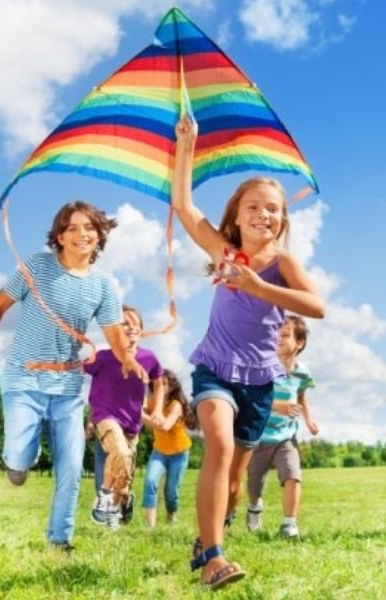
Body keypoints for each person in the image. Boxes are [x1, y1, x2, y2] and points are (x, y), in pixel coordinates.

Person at [172, 115, 325, 590]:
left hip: (260, 381)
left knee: (235, 482)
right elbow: (182, 205)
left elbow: (316, 306)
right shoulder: (223, 253)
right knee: (216, 444)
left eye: (274, 209)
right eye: (254, 207)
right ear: (236, 216)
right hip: (215, 369)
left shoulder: (282, 264)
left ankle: (209, 535)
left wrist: (261, 288)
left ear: (283, 220)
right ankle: (214, 558)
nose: (264, 215)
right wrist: (187, 147)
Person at [0, 201, 147, 552]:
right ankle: (17, 463)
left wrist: (126, 359)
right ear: (59, 235)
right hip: (24, 380)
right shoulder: (37, 266)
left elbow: (114, 332)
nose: (81, 234)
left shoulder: (104, 285)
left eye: (89, 227)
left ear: (100, 234)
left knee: (72, 468)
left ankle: (60, 540)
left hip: (68, 386)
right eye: (72, 228)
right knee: (19, 454)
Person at [85, 305, 163, 530]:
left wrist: (156, 410)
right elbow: (75, 369)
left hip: (132, 425)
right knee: (118, 452)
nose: (130, 327)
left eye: (134, 324)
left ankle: (125, 499)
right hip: (105, 417)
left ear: (141, 331)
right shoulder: (102, 358)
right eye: (123, 323)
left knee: (124, 475)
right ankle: (105, 497)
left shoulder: (149, 358)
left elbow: (159, 383)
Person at [246, 315, 318, 539]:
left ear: (299, 343)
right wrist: (279, 406)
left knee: (292, 475)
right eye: (275, 334)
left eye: (285, 335)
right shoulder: (263, 368)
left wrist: (309, 419)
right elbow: (253, 399)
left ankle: (289, 524)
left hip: (286, 437)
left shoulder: (303, 372)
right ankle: (255, 506)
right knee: (254, 485)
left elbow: (301, 395)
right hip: (259, 437)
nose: (278, 338)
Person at [140, 369, 193, 528]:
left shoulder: (176, 405)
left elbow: (165, 426)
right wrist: (140, 409)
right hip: (160, 452)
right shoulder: (151, 402)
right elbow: (148, 421)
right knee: (150, 481)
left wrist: (141, 415)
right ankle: (150, 526)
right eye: (157, 384)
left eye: (164, 384)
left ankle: (171, 516)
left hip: (179, 453)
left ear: (171, 387)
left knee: (171, 492)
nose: (160, 387)